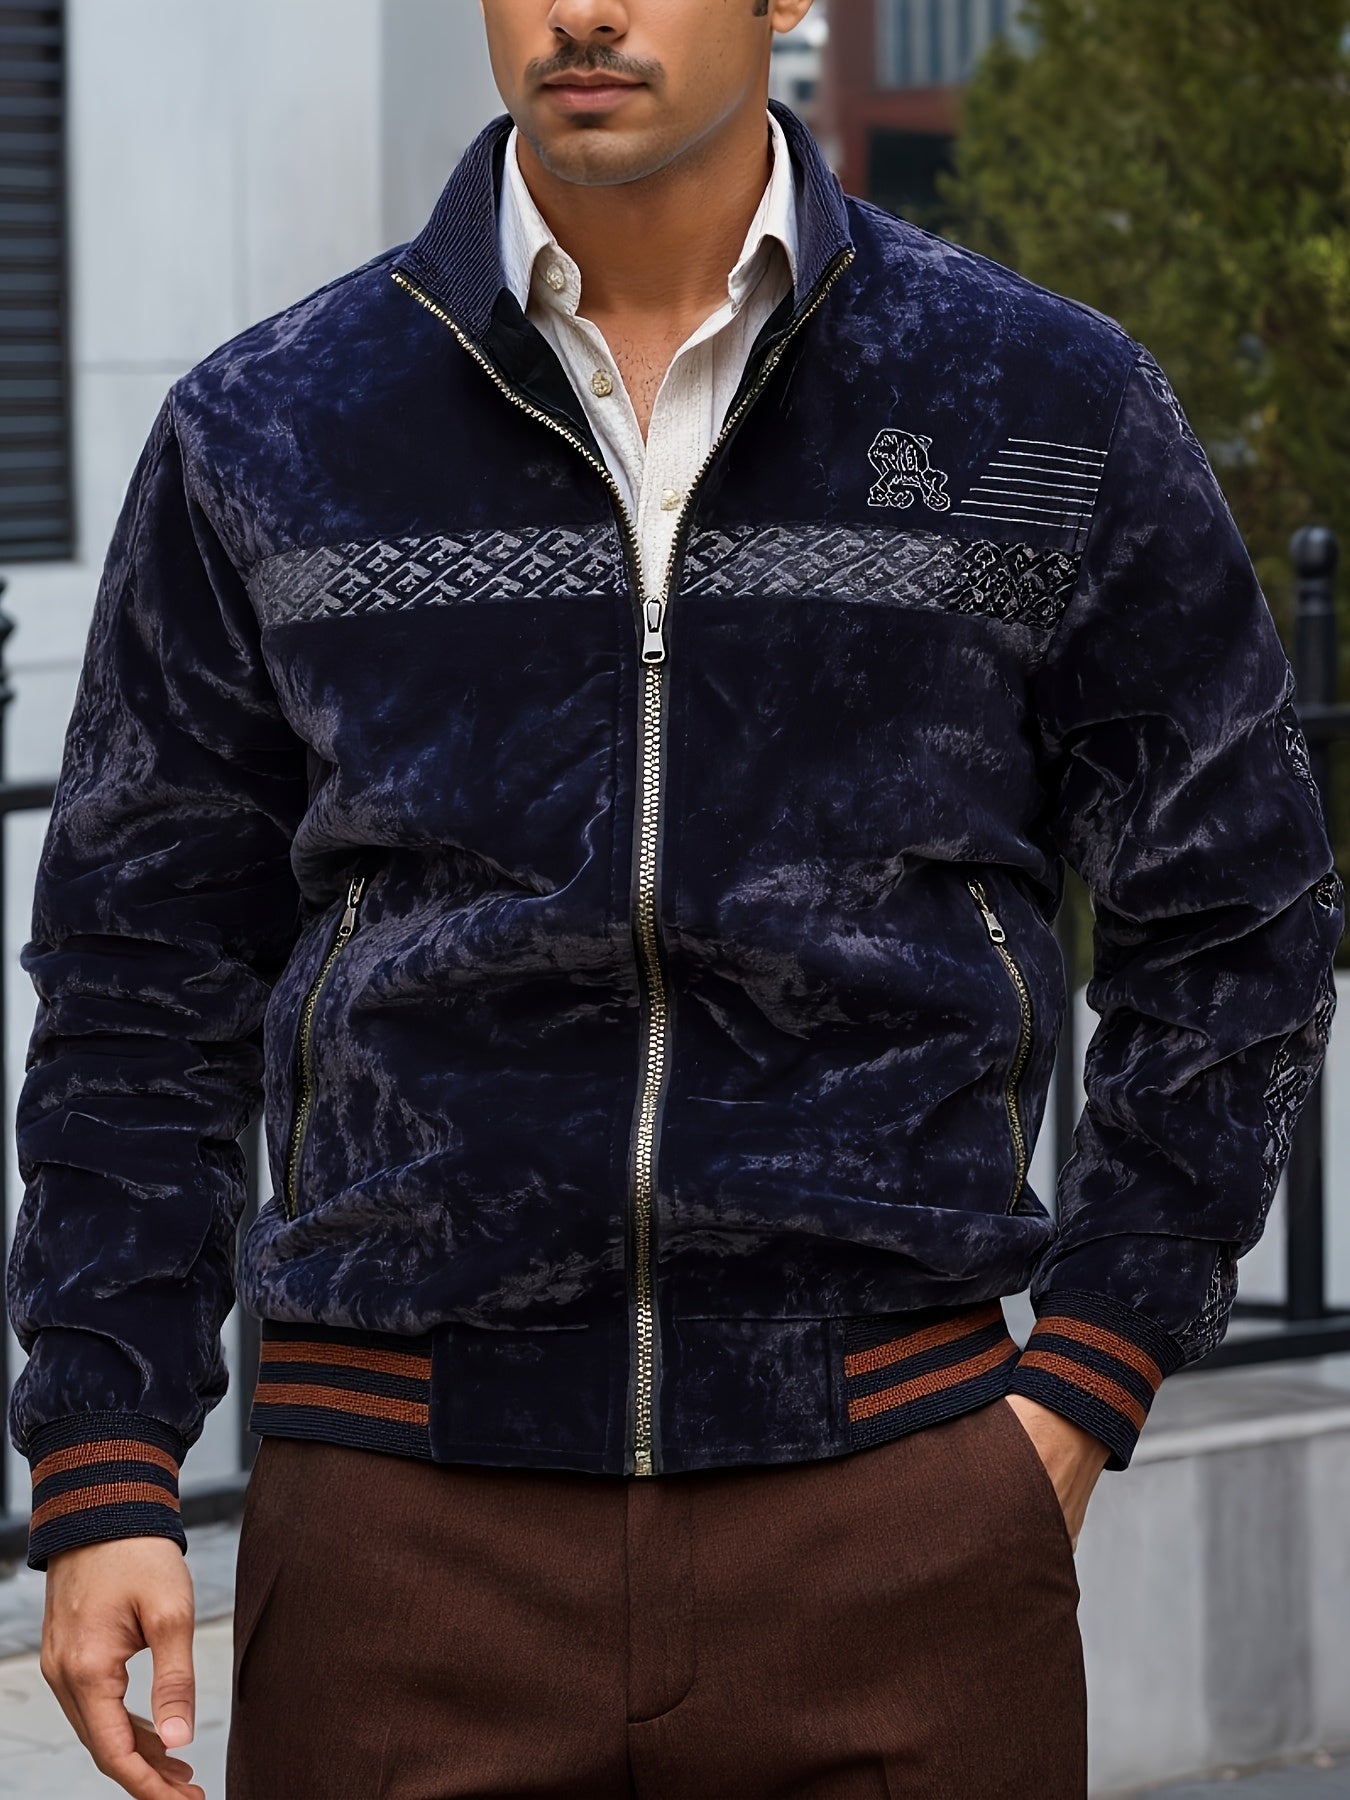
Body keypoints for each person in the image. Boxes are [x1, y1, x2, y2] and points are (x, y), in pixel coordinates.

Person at [6, 0, 1343, 1795]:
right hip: (403, 1536)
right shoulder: (271, 426)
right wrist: (105, 1452)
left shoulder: (1034, 399)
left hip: (897, 1519)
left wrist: (1090, 1368)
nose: (583, 10)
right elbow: (139, 966)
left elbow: (1240, 906)